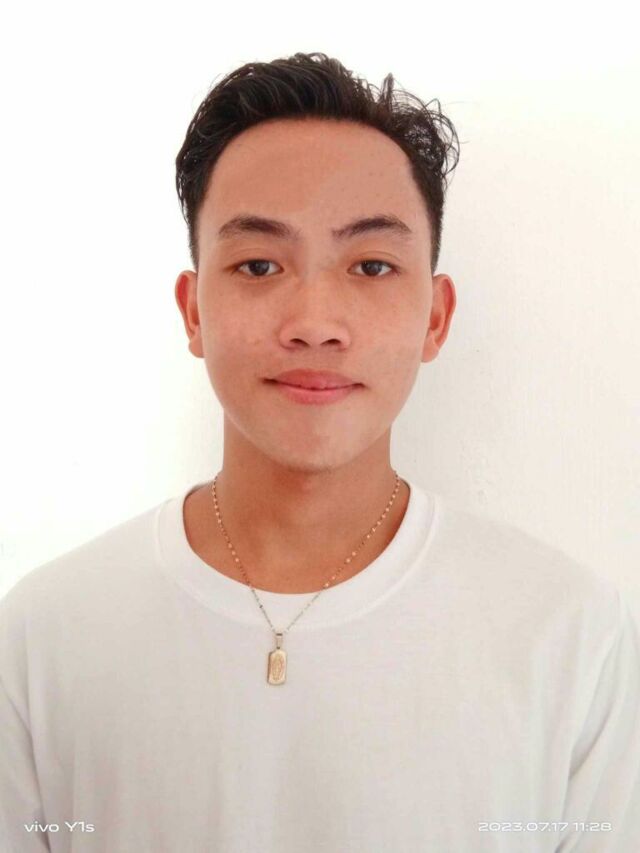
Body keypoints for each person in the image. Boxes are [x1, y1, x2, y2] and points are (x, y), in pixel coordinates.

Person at [1, 51, 639, 852]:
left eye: (371, 265)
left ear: (435, 316)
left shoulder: (569, 637)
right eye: (259, 264)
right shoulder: (45, 637)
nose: (314, 322)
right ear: (193, 310)